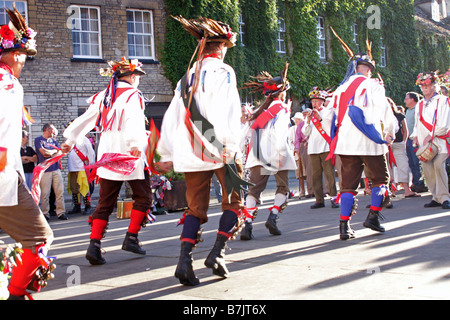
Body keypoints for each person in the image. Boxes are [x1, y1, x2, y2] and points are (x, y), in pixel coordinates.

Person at [155, 16, 247, 286]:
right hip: (220, 148)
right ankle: (217, 254)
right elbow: (230, 110)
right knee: (234, 204)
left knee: (195, 209)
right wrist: (230, 145)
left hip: (191, 151)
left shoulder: (185, 77)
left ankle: (184, 262)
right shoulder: (224, 71)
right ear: (221, 48)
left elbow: (172, 116)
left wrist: (167, 153)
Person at [61, 57, 152, 265]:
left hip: (107, 154)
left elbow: (86, 119)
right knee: (144, 197)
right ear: (130, 76)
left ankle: (94, 246)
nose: (138, 80)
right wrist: (135, 143)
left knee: (105, 202)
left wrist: (70, 140)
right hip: (129, 153)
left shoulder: (104, 95)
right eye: (137, 76)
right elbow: (133, 119)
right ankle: (131, 238)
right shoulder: (132, 94)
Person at [0, 5, 54, 299]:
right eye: (25, 58)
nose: (24, 64)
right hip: (1, 179)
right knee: (39, 238)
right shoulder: (7, 83)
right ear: (17, 55)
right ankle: (18, 294)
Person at [329, 27, 397, 240]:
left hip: (346, 142)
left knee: (347, 185)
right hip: (369, 140)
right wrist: (389, 131)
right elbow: (384, 110)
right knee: (380, 180)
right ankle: (373, 217)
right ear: (368, 69)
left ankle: (344, 226)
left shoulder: (340, 89)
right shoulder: (373, 85)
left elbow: (330, 116)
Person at [240, 62, 297, 240]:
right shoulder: (281, 109)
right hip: (275, 150)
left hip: (258, 152)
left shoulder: (259, 111)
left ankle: (247, 226)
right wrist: (280, 154)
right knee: (283, 186)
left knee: (254, 190)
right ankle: (272, 217)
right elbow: (279, 132)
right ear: (282, 92)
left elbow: (247, 133)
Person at [410, 72, 450, 209]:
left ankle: (445, 197)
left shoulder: (442, 100)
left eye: (427, 85)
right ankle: (435, 197)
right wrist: (415, 136)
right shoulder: (419, 104)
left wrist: (432, 135)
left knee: (439, 166)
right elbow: (417, 123)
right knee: (428, 170)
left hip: (440, 141)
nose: (425, 88)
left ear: (434, 86)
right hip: (424, 143)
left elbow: (444, 123)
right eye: (422, 86)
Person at [302, 87, 339, 209]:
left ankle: (334, 198)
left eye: (317, 101)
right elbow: (305, 133)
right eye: (313, 102)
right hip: (313, 149)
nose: (314, 104)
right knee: (315, 175)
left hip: (325, 148)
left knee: (329, 174)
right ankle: (319, 200)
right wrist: (307, 121)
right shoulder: (310, 115)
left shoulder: (328, 112)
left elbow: (330, 131)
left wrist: (320, 119)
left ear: (322, 101)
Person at [35, 123, 68, 221]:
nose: (54, 132)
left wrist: (52, 152)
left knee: (59, 192)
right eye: (53, 129)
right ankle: (45, 213)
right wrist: (54, 151)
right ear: (47, 129)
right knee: (45, 193)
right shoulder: (38, 140)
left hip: (56, 168)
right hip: (45, 170)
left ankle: (61, 212)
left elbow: (59, 152)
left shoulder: (53, 141)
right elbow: (44, 153)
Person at [387, 98, 419, 198]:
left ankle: (406, 189)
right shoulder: (381, 116)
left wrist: (403, 142)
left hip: (398, 143)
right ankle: (390, 190)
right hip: (386, 145)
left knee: (403, 165)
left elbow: (405, 130)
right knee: (388, 168)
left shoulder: (399, 115)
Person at [66, 128, 96, 215]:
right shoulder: (70, 140)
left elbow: (91, 153)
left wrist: (90, 165)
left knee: (84, 187)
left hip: (81, 167)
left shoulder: (84, 139)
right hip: (72, 168)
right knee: (74, 187)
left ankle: (87, 206)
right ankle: (77, 206)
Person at [404, 92, 428, 193]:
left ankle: (421, 184)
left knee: (417, 162)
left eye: (407, 98)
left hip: (416, 140)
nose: (405, 100)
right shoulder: (408, 111)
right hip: (409, 140)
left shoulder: (418, 109)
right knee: (412, 163)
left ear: (413, 99)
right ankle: (415, 183)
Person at [295, 108, 314, 198]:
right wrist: (297, 148)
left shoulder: (315, 121)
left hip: (315, 144)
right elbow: (297, 138)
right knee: (308, 170)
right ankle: (311, 190)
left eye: (307, 113)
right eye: (304, 114)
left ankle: (325, 190)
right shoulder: (301, 125)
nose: (306, 115)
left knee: (320, 169)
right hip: (305, 146)